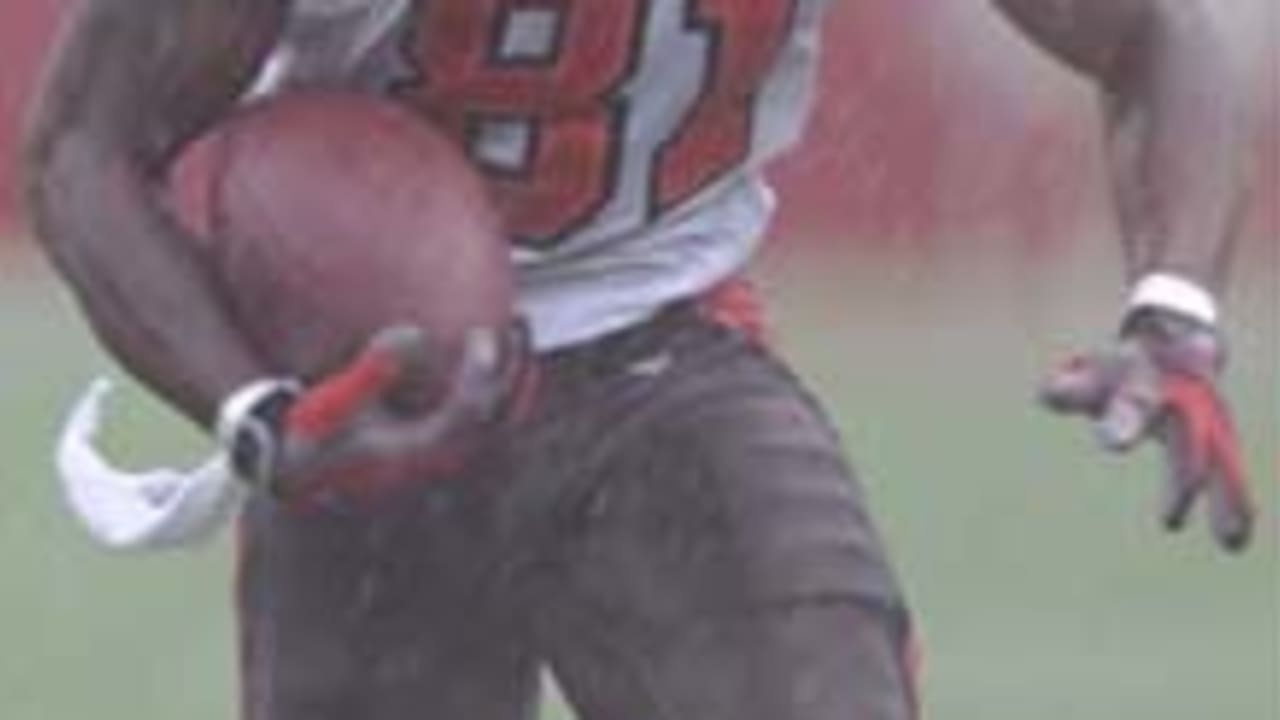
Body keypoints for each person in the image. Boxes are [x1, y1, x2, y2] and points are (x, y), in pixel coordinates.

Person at [22, 0, 1254, 718]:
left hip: (658, 347)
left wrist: (1170, 309)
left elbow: (1156, 33)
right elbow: (86, 146)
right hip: (370, 383)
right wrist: (256, 412)